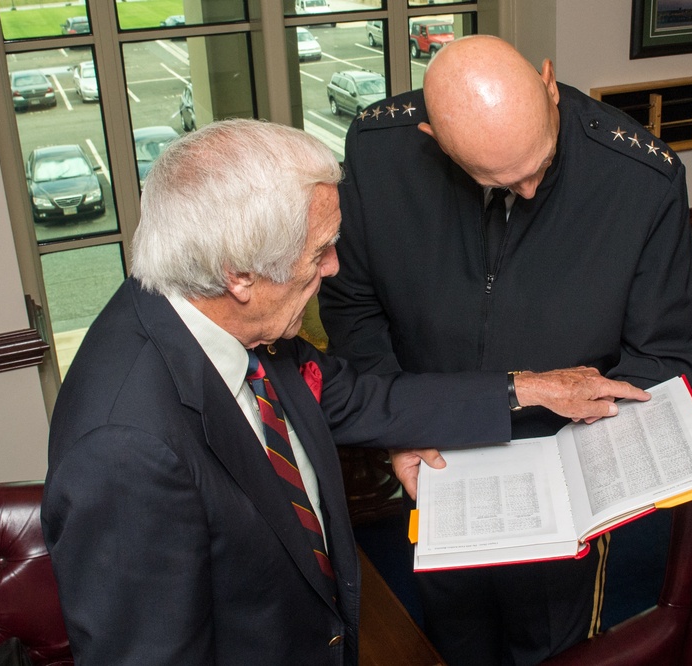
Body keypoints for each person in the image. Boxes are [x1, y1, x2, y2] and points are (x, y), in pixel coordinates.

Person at [40, 118, 650, 666]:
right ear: (240, 273)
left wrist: (531, 388)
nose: (334, 268)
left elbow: (354, 397)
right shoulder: (123, 450)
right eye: (319, 252)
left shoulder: (223, 319)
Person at [318, 35, 692, 665]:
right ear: (432, 137)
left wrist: (587, 472)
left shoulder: (641, 179)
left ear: (549, 85)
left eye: (540, 165)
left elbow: (666, 357)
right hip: (438, 462)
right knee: (452, 636)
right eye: (497, 179)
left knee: (553, 649)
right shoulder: (377, 152)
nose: (528, 193)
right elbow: (353, 307)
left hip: (569, 477)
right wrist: (403, 424)